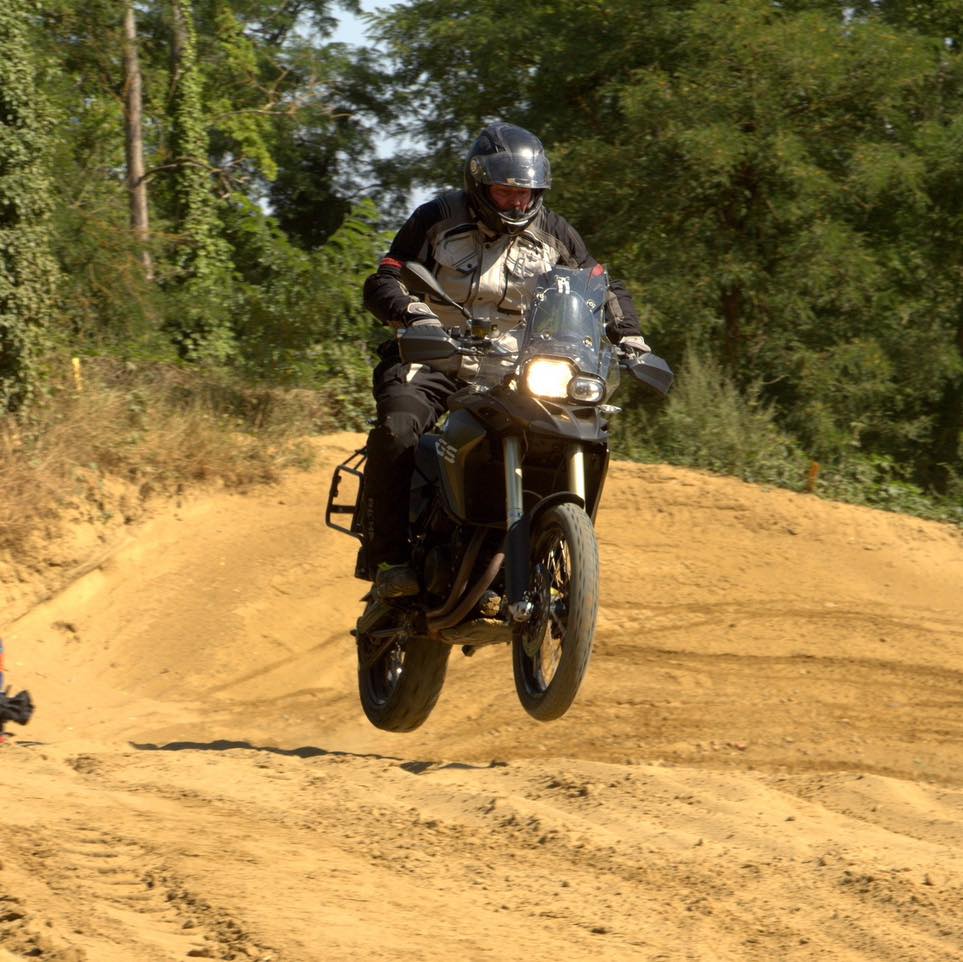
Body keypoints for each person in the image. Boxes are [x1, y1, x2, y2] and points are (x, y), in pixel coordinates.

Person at [361, 122, 651, 598]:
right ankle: (389, 558)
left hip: (517, 370)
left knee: (570, 430)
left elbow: (603, 285)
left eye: (527, 193)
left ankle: (535, 552)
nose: (518, 203)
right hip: (434, 358)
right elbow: (386, 276)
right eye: (505, 192)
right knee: (399, 427)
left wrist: (632, 339)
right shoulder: (436, 218)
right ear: (478, 185)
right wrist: (414, 313)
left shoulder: (556, 234)